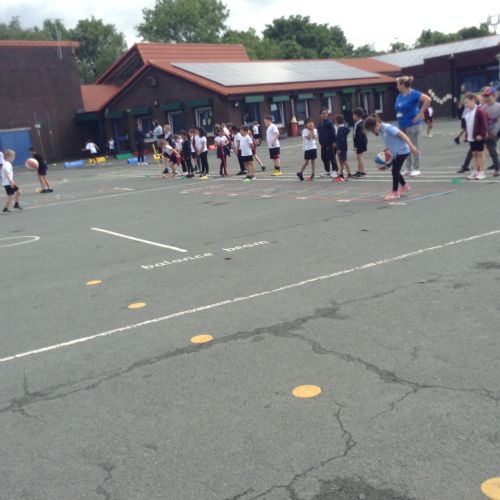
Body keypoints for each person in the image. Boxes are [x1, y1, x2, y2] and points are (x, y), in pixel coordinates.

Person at [364, 115, 418, 201]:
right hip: (396, 152)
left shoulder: (387, 127)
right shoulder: (381, 130)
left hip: (402, 151)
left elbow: (402, 135)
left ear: (377, 123)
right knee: (395, 170)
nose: (373, 132)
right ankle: (404, 186)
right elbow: (391, 141)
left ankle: (395, 193)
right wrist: (385, 150)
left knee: (395, 171)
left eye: (373, 129)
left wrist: (411, 146)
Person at [395, 76, 432, 176]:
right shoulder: (400, 96)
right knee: (405, 146)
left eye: (398, 84)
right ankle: (408, 168)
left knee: (414, 145)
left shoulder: (414, 94)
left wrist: (420, 113)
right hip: (402, 125)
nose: (397, 87)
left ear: (403, 85)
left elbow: (428, 99)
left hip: (413, 124)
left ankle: (416, 168)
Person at [461, 92, 488, 180]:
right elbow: (468, 125)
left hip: (478, 137)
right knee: (474, 154)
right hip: (471, 137)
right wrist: (466, 136)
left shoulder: (479, 111)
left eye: (467, 102)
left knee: (480, 154)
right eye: (464, 103)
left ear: (473, 100)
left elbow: (484, 124)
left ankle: (482, 172)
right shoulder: (468, 112)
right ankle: (475, 171)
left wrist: (481, 134)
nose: (466, 105)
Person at [480, 86, 500, 176]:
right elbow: (482, 122)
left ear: (494, 96)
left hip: (493, 132)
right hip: (485, 133)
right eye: (485, 96)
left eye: (488, 96)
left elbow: (499, 122)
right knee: (475, 150)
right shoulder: (483, 108)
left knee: (492, 151)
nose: (486, 98)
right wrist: (485, 132)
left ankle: (497, 169)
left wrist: (493, 132)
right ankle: (477, 168)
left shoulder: (498, 107)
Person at [317, 107, 337, 177]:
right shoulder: (319, 124)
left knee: (331, 156)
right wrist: (320, 141)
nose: (324, 115)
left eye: (325, 113)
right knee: (324, 157)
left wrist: (334, 142)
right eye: (323, 113)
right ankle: (327, 171)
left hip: (330, 143)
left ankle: (335, 170)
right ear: (320, 115)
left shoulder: (329, 123)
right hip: (323, 143)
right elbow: (319, 133)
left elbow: (333, 132)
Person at [2, 149, 22, 213]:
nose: (14, 158)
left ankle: (16, 204)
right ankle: (5, 209)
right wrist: (11, 181)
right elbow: (7, 173)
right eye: (13, 156)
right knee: (10, 196)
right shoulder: (6, 164)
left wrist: (12, 181)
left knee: (19, 191)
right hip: (8, 183)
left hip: (9, 182)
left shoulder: (8, 164)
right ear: (8, 156)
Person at [334, 114, 351, 181]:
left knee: (344, 161)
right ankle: (341, 173)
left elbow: (341, 140)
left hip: (341, 148)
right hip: (344, 147)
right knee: (341, 161)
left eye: (335, 120)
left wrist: (339, 148)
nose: (334, 121)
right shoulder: (343, 128)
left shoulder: (340, 129)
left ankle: (349, 174)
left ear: (337, 121)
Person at [352, 107, 367, 178]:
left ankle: (362, 171)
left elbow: (359, 137)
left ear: (357, 115)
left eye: (353, 115)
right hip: (360, 143)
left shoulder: (360, 124)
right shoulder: (358, 123)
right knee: (358, 157)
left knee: (360, 157)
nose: (353, 116)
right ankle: (359, 170)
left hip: (361, 143)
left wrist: (356, 145)